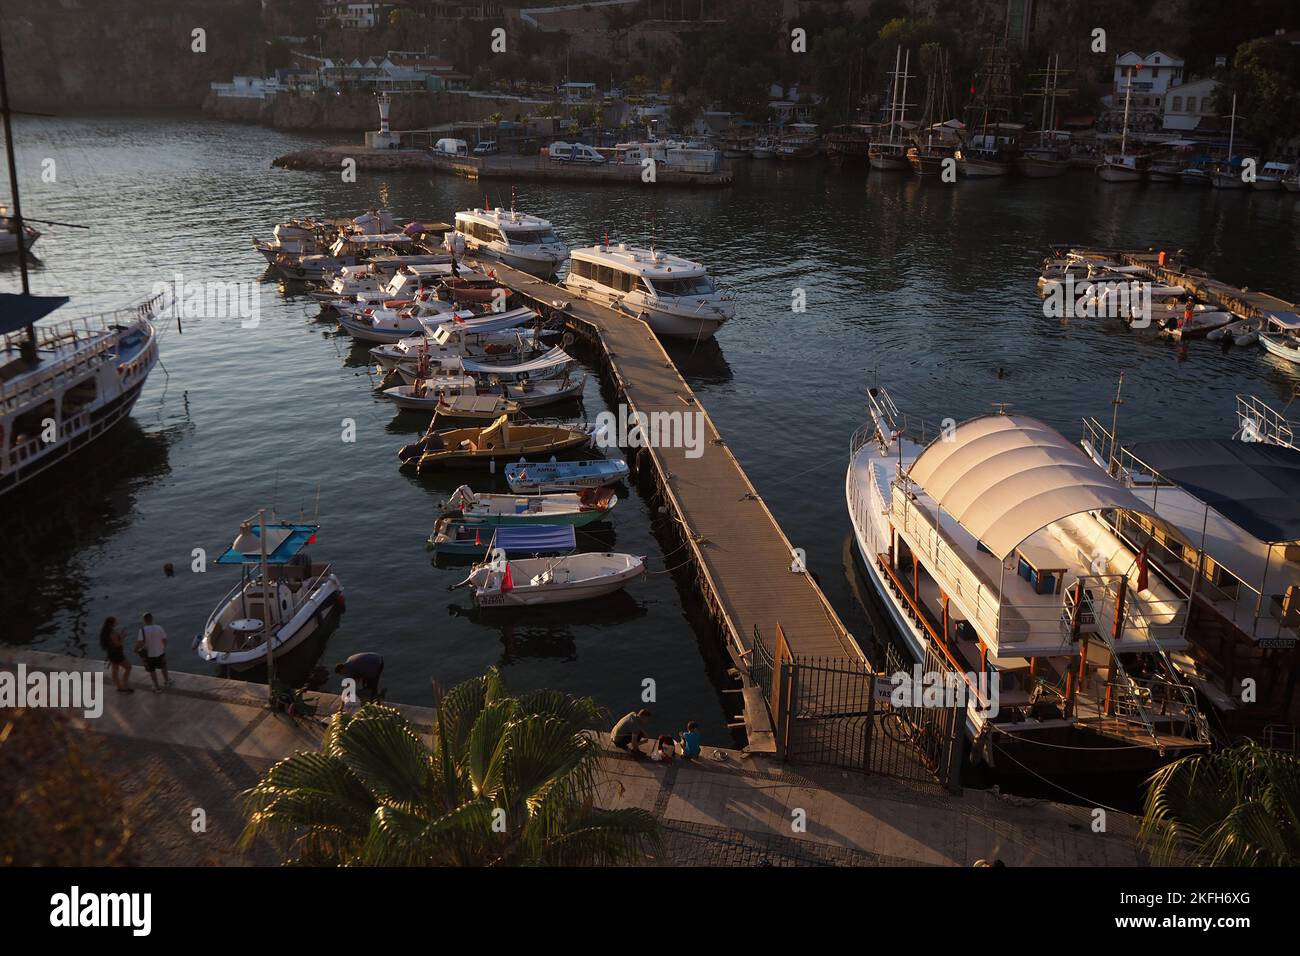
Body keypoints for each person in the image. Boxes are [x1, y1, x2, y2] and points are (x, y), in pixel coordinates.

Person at [99, 616, 133, 694]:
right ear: (112, 623)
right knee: (128, 667)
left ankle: (119, 687)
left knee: (115, 671)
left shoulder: (106, 632)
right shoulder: (112, 633)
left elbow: (113, 641)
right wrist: (123, 637)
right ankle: (124, 683)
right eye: (115, 622)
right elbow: (117, 644)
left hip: (111, 653)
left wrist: (120, 635)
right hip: (117, 654)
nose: (117, 622)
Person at [137, 612, 170, 692]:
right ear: (152, 619)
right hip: (160, 652)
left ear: (144, 620)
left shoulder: (142, 630)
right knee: (163, 666)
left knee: (152, 671)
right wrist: (163, 647)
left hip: (149, 654)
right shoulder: (159, 628)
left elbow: (140, 643)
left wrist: (137, 650)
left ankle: (157, 687)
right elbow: (165, 640)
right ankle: (167, 681)